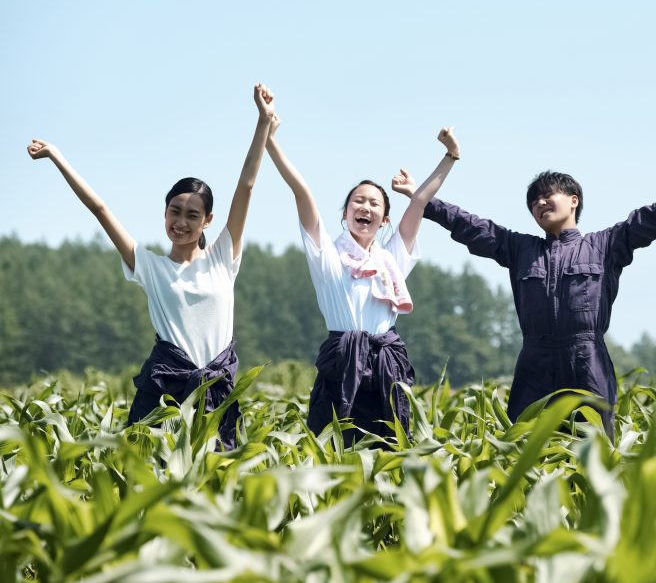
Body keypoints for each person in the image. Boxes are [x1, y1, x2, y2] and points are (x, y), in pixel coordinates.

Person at [418, 160, 656, 438]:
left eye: (547, 195)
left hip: (587, 361)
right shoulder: (520, 249)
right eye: (533, 202)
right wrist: (421, 200)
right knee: (522, 447)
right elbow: (471, 227)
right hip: (534, 364)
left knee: (593, 449)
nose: (539, 203)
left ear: (574, 199)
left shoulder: (607, 245)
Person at [26, 84, 277, 449]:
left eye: (192, 215)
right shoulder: (149, 265)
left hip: (216, 387)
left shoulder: (224, 257)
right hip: (165, 390)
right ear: (164, 212)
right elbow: (100, 209)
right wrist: (56, 155)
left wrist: (263, 123)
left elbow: (247, 186)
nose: (181, 222)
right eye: (174, 212)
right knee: (150, 468)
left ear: (208, 220)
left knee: (218, 476)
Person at [265, 113, 460, 445]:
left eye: (374, 203)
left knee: (390, 450)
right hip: (342, 364)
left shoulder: (391, 261)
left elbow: (419, 202)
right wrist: (270, 141)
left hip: (387, 367)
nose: (365, 206)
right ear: (345, 213)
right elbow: (302, 193)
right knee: (334, 448)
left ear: (384, 220)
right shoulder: (327, 255)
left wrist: (450, 157)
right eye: (358, 201)